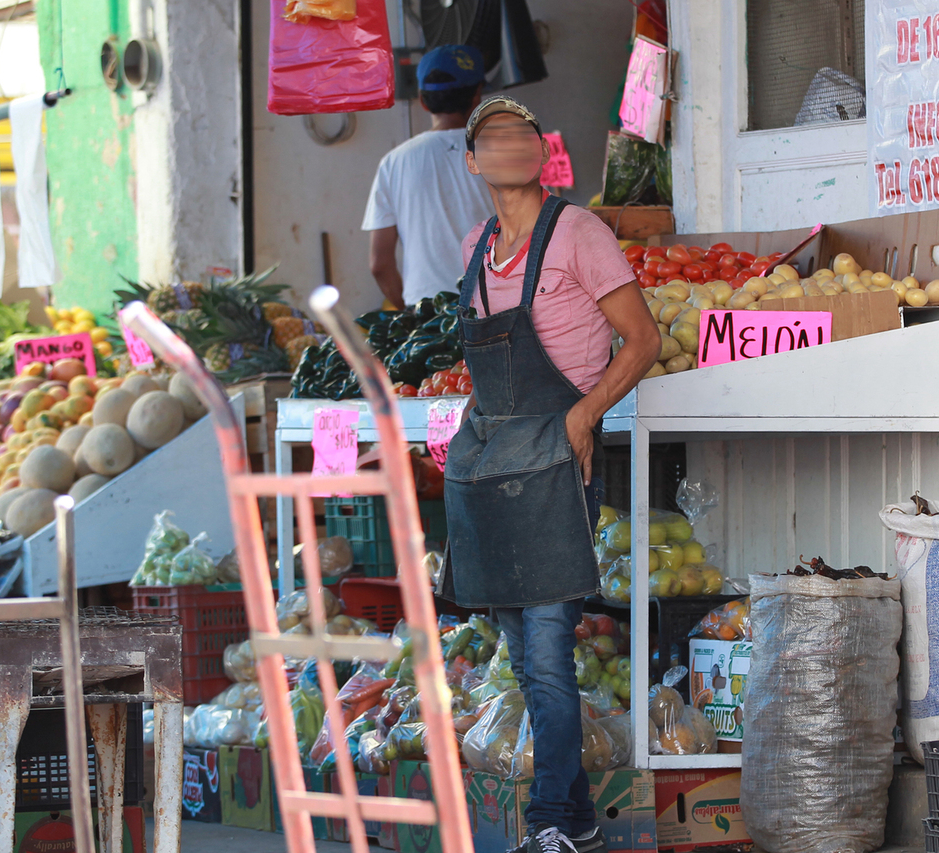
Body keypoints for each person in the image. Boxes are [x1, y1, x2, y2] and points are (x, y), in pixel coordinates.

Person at [440, 97, 661, 853]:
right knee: (523, 654)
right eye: (491, 139)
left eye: (521, 136)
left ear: (541, 153)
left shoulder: (579, 233)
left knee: (544, 651)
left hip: (557, 460)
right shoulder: (475, 246)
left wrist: (583, 416)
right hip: (494, 463)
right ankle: (578, 820)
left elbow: (642, 339)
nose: (508, 148)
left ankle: (547, 824)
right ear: (473, 160)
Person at [362, 44, 495, 309]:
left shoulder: (394, 163)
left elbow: (379, 265)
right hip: (498, 310)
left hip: (428, 312)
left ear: (423, 101)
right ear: (477, 96)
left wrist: (411, 316)